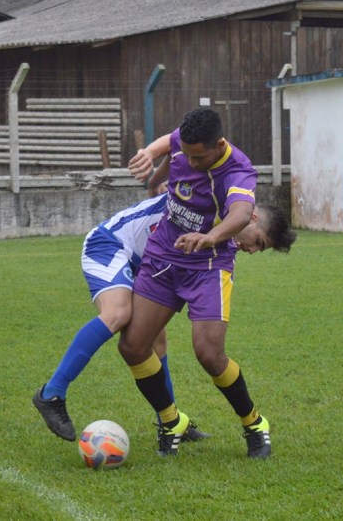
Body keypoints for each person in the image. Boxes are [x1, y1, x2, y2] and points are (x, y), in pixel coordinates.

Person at [32, 183, 288, 442]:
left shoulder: (224, 236)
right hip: (111, 243)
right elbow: (177, 178)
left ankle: (172, 421)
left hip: (146, 262)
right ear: (251, 217)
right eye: (259, 242)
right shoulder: (209, 202)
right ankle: (52, 393)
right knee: (118, 313)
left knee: (157, 341)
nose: (253, 250)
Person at [123, 108, 296, 458]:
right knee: (133, 346)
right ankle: (172, 422)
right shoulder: (188, 145)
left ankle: (254, 423)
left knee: (208, 352)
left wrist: (210, 237)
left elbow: (240, 214)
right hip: (165, 254)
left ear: (218, 145)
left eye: (197, 156)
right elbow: (169, 143)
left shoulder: (239, 171)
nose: (189, 160)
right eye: (186, 153)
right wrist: (151, 157)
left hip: (209, 264)